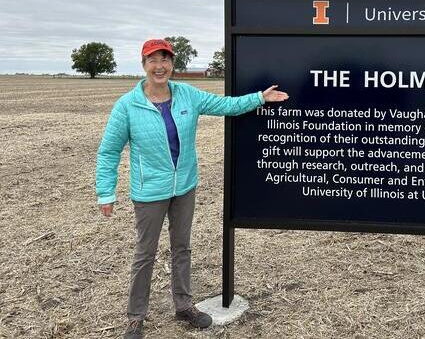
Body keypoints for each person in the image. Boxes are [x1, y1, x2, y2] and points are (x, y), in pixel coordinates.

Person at [95, 38, 288, 339]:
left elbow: (226, 105)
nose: (160, 66)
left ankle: (183, 305)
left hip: (184, 187)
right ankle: (135, 317)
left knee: (182, 248)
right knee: (145, 253)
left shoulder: (187, 95)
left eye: (165, 60)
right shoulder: (128, 106)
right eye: (153, 60)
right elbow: (109, 151)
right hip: (149, 193)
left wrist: (259, 98)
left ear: (172, 64)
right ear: (143, 64)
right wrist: (106, 192)